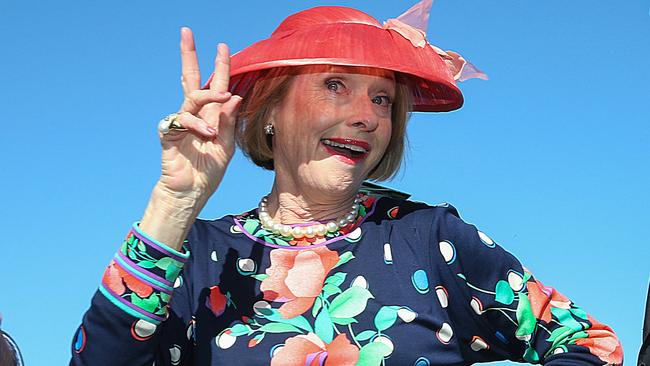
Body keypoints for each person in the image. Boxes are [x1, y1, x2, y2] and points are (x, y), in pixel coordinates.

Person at [71, 2, 623, 365]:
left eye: (381, 98)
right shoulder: (201, 255)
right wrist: (175, 202)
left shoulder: (429, 239)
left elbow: (589, 342)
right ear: (268, 111)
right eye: (335, 86)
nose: (366, 116)